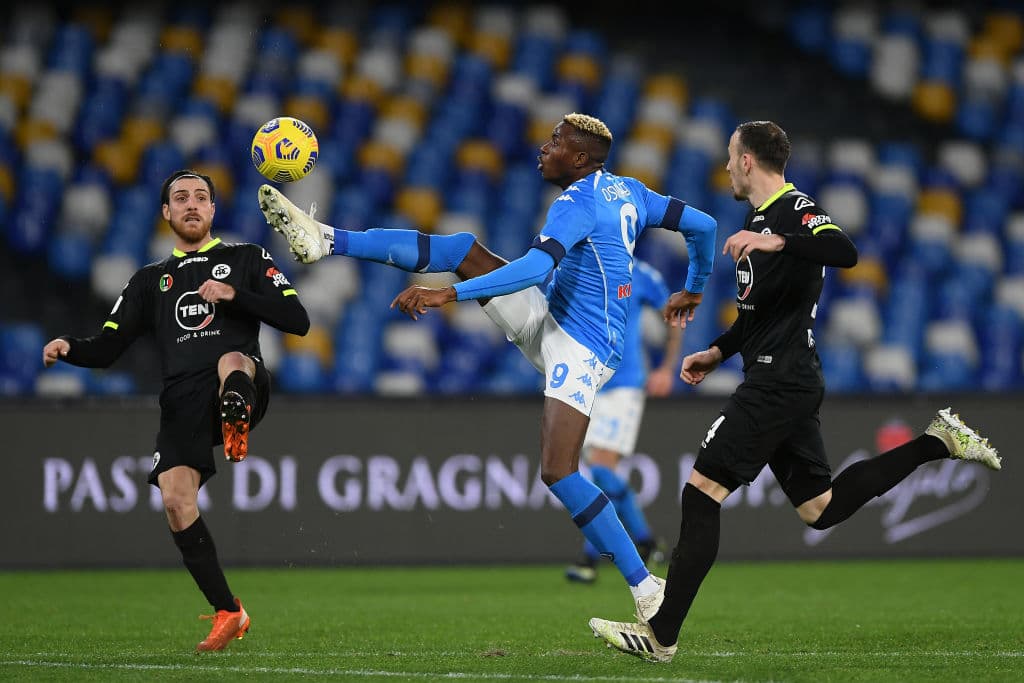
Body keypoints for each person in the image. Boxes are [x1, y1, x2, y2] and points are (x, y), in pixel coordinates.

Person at [258, 113, 718, 622]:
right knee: (461, 248)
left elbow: (538, 267)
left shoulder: (577, 204)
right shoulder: (629, 190)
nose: (544, 149)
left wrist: (450, 294)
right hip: (556, 317)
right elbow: (704, 225)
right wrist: (694, 287)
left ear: (581, 159)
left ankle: (646, 589)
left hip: (580, 349)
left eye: (556, 143)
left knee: (558, 470)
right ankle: (326, 240)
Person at [587, 120, 1001, 663]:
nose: (726, 166)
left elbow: (844, 249)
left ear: (749, 161)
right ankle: (938, 442)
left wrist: (777, 239)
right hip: (783, 375)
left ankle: (662, 634)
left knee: (701, 492)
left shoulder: (792, 208)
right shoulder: (755, 219)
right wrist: (717, 350)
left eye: (731, 157)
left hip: (780, 380)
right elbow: (760, 314)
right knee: (820, 509)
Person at [41, 169, 311, 652]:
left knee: (231, 361)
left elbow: (299, 321)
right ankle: (230, 611)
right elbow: (107, 348)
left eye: (201, 197)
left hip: (241, 380)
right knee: (174, 501)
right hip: (182, 401)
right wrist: (70, 348)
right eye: (180, 198)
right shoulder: (149, 281)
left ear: (212, 210)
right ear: (166, 213)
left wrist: (235, 295)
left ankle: (235, 416)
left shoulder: (246, 258)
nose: (191, 204)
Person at [566, 258, 683, 584]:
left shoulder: (642, 274)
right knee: (597, 476)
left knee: (601, 470)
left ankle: (592, 560)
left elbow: (676, 313)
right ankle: (645, 542)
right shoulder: (581, 269)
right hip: (587, 382)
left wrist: (666, 368)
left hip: (625, 384)